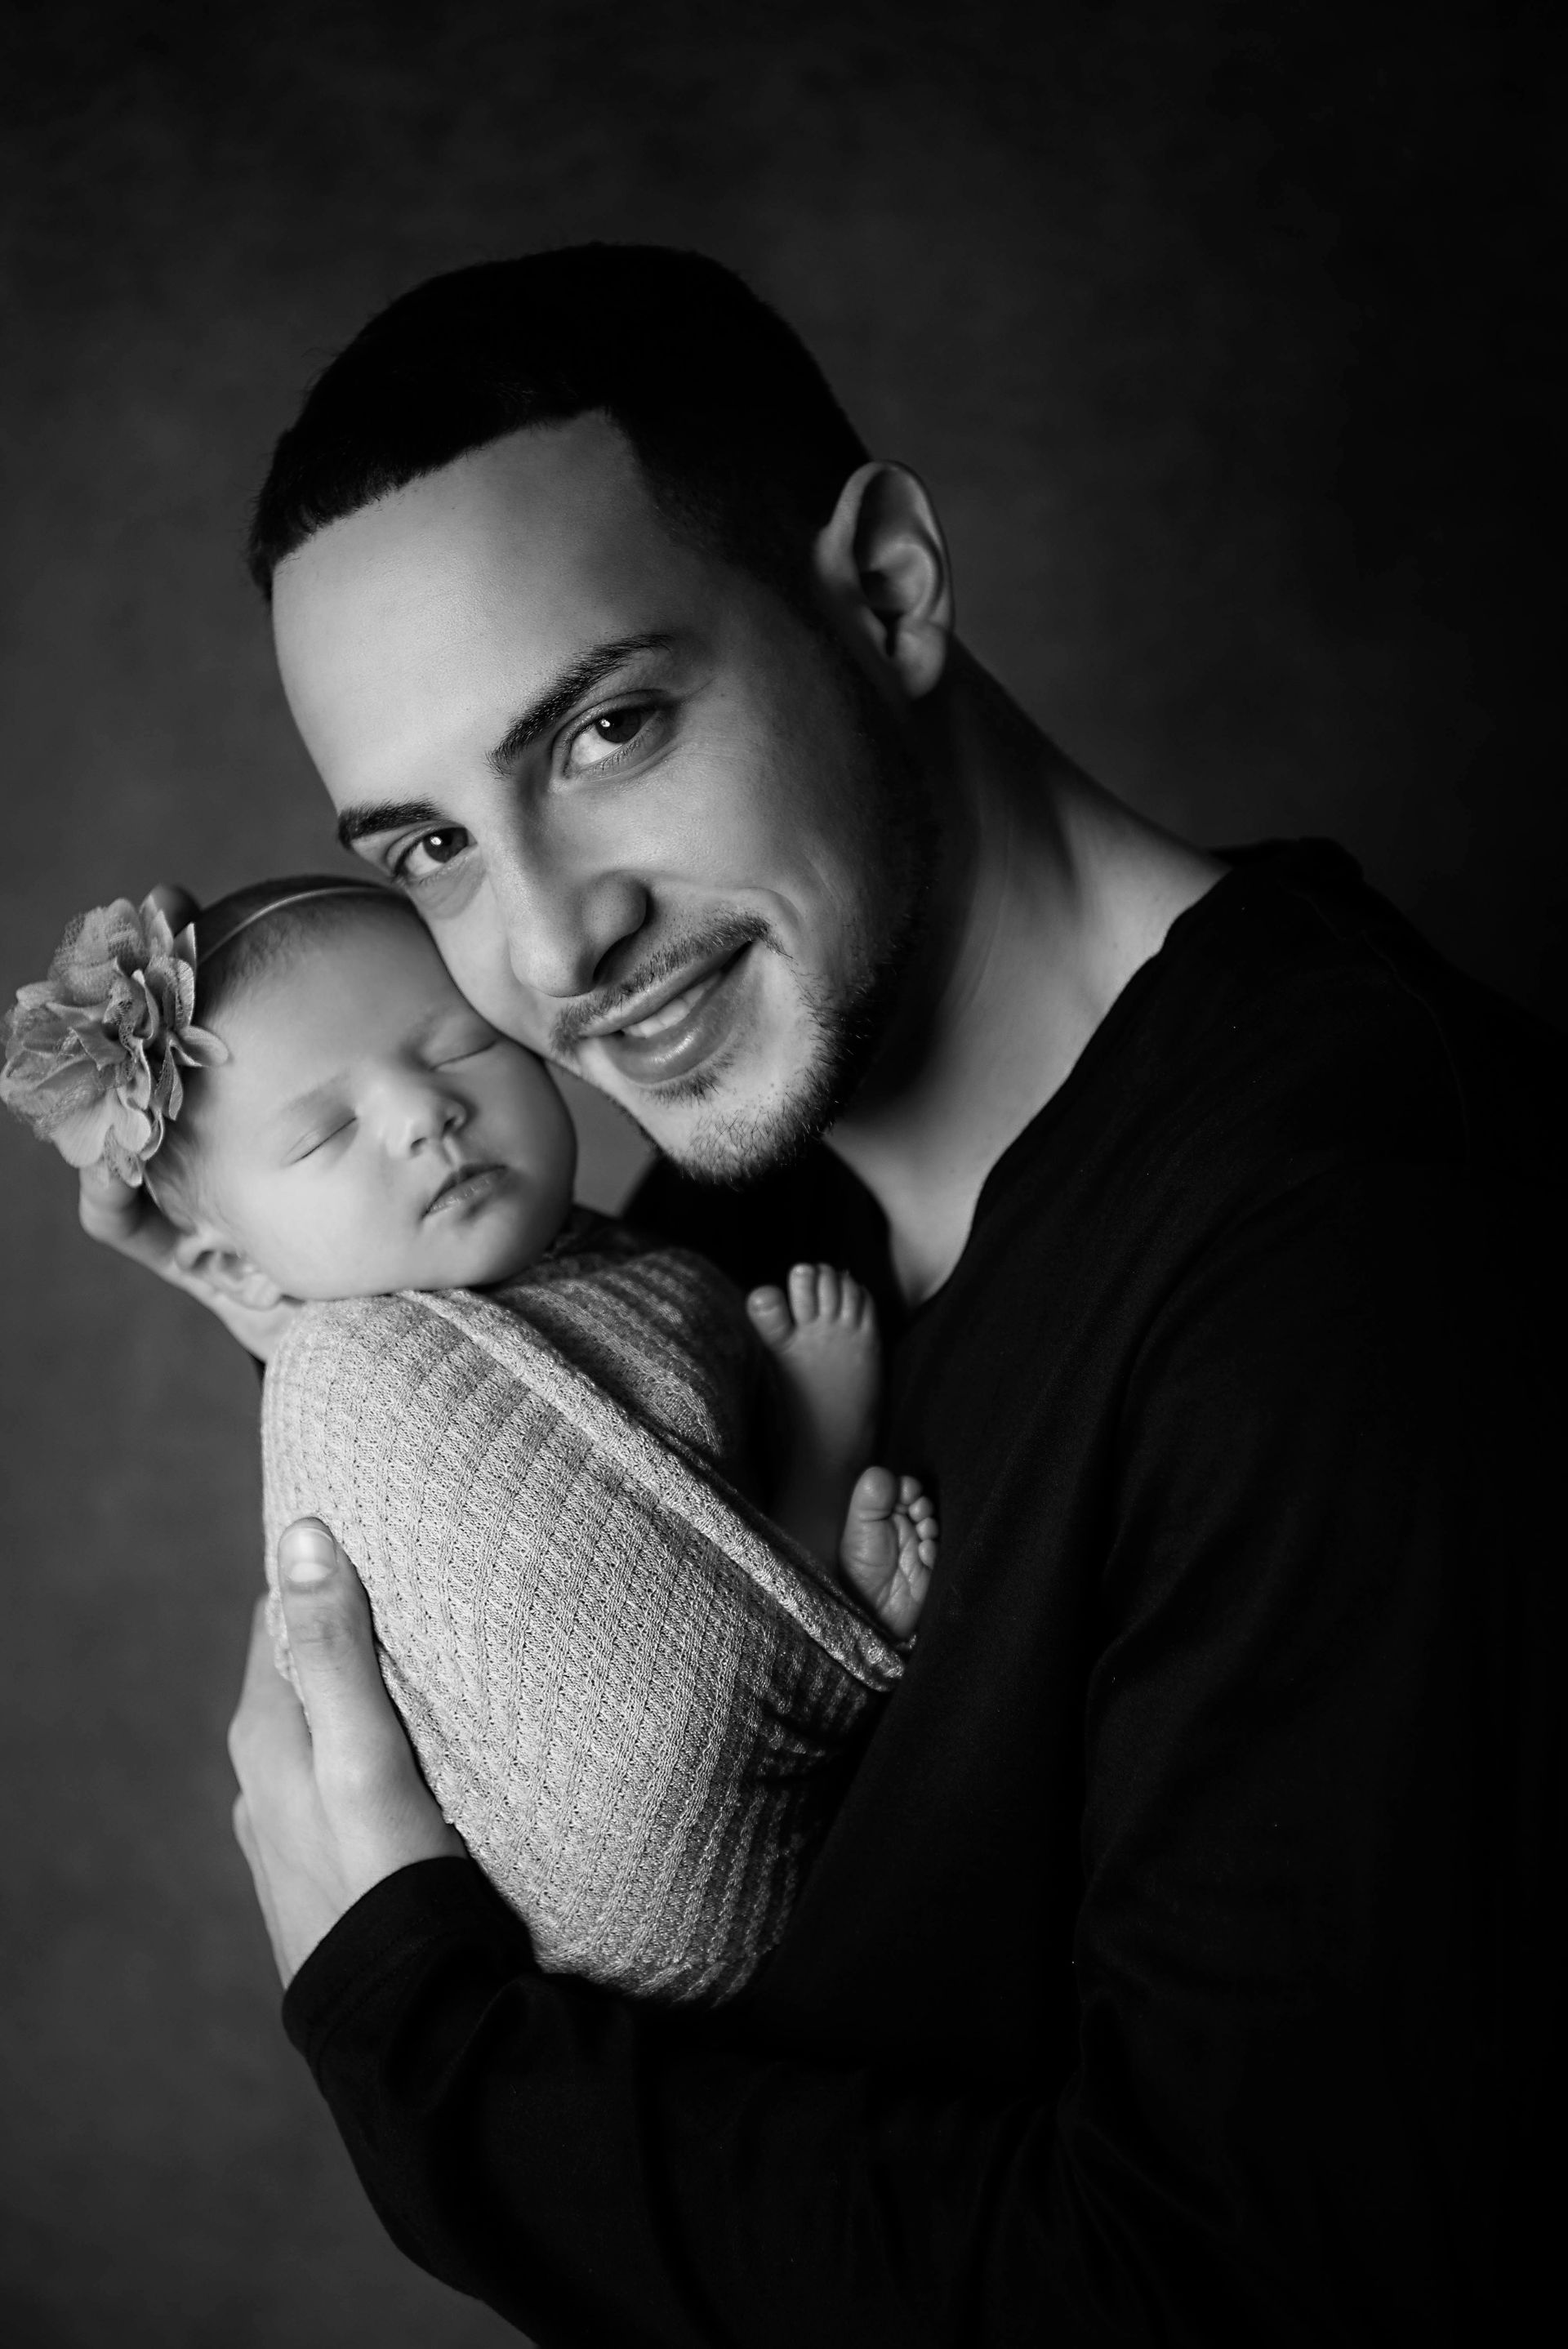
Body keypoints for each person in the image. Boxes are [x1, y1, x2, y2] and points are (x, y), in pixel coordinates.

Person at [80, 247, 1564, 2342]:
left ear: (887, 589)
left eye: (607, 729)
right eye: (428, 848)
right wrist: (323, 1297)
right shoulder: (736, 1192)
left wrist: (430, 2058)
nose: (550, 944)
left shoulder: (1361, 1268)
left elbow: (1226, 2290)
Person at [6, 872, 932, 1999]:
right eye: (325, 1133)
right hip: (601, 1888)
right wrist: (812, 1437)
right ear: (231, 1268)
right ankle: (815, 1517)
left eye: (461, 1048)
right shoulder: (349, 1378)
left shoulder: (624, 1257)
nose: (424, 1112)